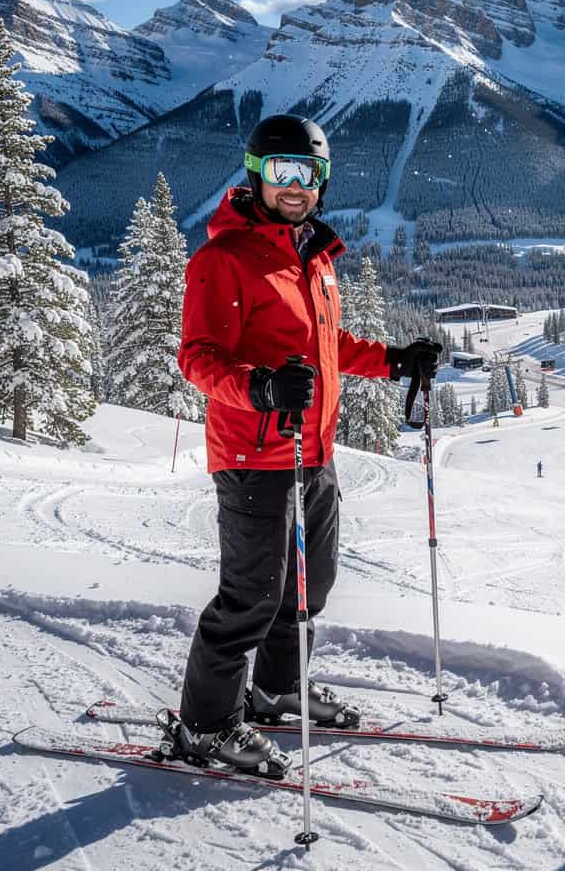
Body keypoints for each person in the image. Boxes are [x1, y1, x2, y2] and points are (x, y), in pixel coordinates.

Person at [169, 114, 442, 771]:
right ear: (257, 176)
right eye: (282, 173)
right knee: (252, 596)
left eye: (308, 175)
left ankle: (275, 688)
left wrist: (394, 360)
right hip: (253, 455)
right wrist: (259, 388)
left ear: (321, 181)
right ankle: (204, 726)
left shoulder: (312, 259)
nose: (295, 187)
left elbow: (327, 348)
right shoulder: (223, 259)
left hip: (312, 451)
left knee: (308, 587)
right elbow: (197, 359)